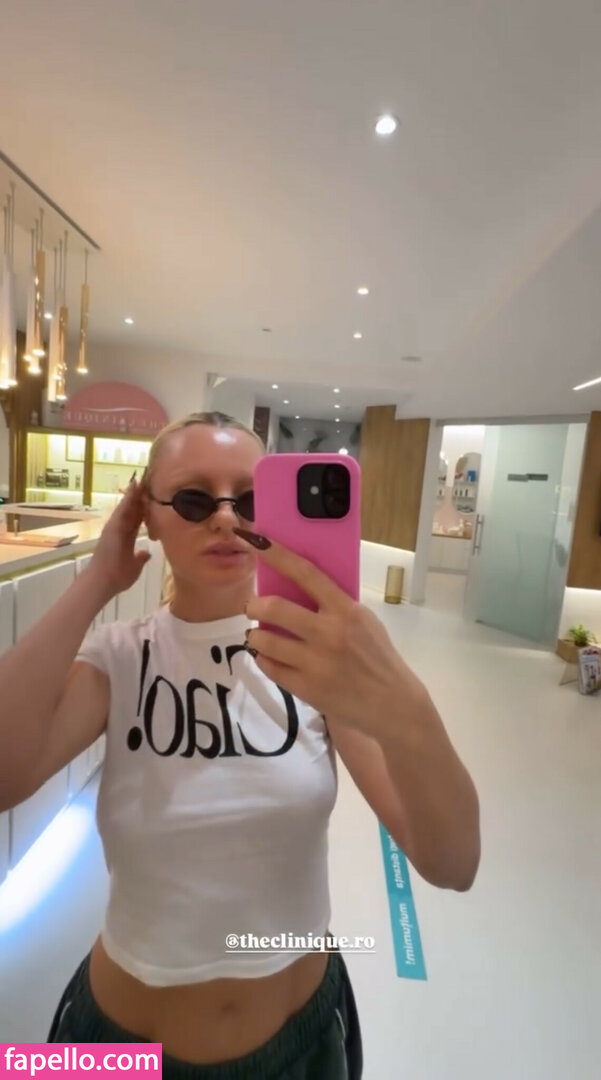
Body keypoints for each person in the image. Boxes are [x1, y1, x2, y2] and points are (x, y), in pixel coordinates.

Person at [0, 411, 480, 1078]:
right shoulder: (121, 657)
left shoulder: (316, 661)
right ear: (148, 514)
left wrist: (408, 705)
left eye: (251, 499)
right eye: (194, 500)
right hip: (117, 1046)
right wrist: (98, 579)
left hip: (303, 1044)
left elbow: (452, 863)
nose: (227, 518)